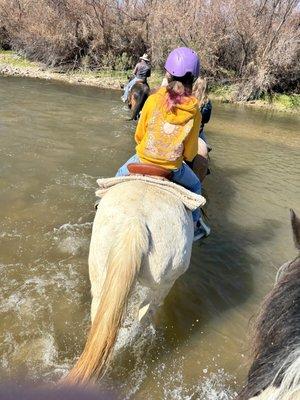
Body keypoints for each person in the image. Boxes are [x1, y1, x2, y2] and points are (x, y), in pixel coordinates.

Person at [116, 47, 210, 241]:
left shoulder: (151, 100)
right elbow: (191, 152)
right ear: (192, 79)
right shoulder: (195, 111)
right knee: (195, 188)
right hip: (172, 168)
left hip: (142, 159)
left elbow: (139, 134)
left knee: (117, 175)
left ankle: (101, 202)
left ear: (167, 73)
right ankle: (196, 225)